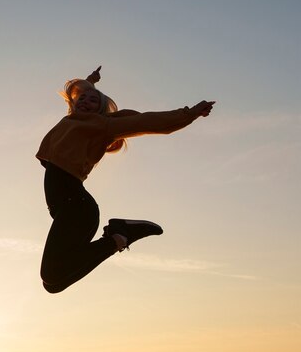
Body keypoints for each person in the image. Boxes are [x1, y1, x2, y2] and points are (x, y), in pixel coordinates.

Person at [36, 66, 214, 293]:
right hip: (68, 210)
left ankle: (119, 237)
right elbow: (82, 89)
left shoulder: (103, 125)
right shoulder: (72, 120)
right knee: (54, 282)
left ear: (101, 111)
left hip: (78, 209)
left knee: (51, 274)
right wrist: (91, 81)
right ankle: (119, 235)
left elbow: (149, 122)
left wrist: (190, 114)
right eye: (82, 98)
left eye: (92, 101)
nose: (85, 102)